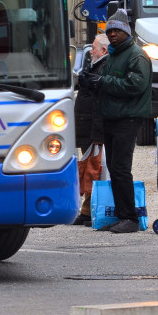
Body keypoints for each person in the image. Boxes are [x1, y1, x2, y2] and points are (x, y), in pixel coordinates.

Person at [78, 10, 152, 233]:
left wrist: (102, 81)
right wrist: (90, 81)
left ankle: (129, 218)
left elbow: (135, 85)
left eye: (117, 31)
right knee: (114, 168)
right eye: (110, 31)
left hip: (127, 119)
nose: (112, 34)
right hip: (112, 117)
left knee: (121, 169)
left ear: (126, 32)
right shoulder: (114, 55)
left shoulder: (136, 56)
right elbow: (108, 84)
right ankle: (122, 215)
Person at [73, 33, 110, 226]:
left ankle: (96, 210)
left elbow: (99, 102)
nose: (91, 51)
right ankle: (88, 210)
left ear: (103, 50)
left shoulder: (105, 66)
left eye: (94, 47)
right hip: (87, 125)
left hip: (94, 127)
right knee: (89, 168)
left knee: (96, 170)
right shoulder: (96, 65)